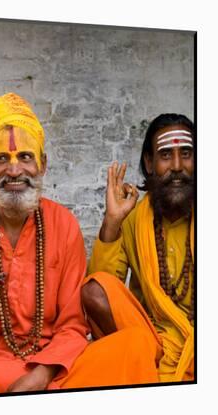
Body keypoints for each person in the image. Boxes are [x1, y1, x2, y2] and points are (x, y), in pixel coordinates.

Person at [0, 93, 160, 396]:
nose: (14, 171)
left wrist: (39, 378)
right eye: (2, 159)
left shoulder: (63, 224)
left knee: (136, 345)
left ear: (43, 164)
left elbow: (73, 325)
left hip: (55, 374)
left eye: (25, 157)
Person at [83, 113, 195, 382]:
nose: (177, 166)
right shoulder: (134, 218)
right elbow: (104, 288)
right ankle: (141, 357)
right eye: (166, 155)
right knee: (94, 290)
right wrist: (112, 221)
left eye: (187, 154)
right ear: (149, 162)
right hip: (152, 336)